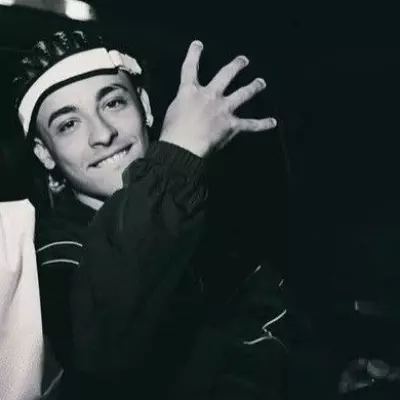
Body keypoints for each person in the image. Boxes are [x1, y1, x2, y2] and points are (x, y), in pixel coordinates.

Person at [13, 29, 287, 399]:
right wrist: (177, 153)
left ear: (144, 105)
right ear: (45, 154)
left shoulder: (196, 206)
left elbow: (262, 318)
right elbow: (99, 345)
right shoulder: (48, 254)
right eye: (68, 124)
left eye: (113, 103)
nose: (102, 134)